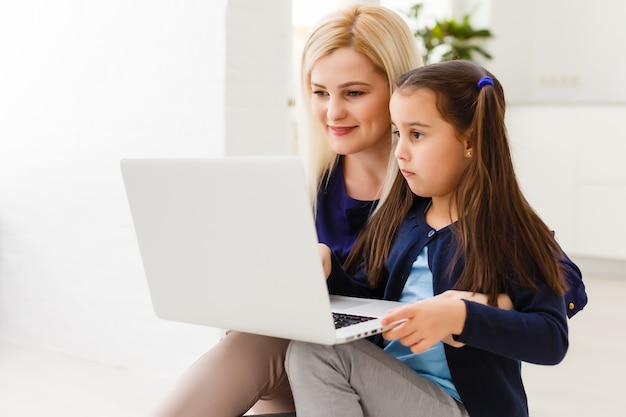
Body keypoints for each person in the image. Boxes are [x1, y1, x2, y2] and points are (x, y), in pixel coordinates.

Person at [152, 5, 423, 417]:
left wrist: (494, 300)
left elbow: (556, 278)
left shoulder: (432, 182)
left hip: (393, 381)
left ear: (398, 92)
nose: (333, 113)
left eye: (354, 93)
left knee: (262, 343)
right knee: (257, 335)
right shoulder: (313, 185)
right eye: (319, 93)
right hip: (307, 370)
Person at [285, 60, 572, 417]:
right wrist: (329, 272)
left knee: (315, 353)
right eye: (397, 134)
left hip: (460, 407)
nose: (400, 151)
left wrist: (460, 316)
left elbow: (551, 338)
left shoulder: (512, 236)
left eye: (416, 135)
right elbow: (377, 304)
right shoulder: (402, 220)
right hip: (389, 391)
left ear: (469, 141)